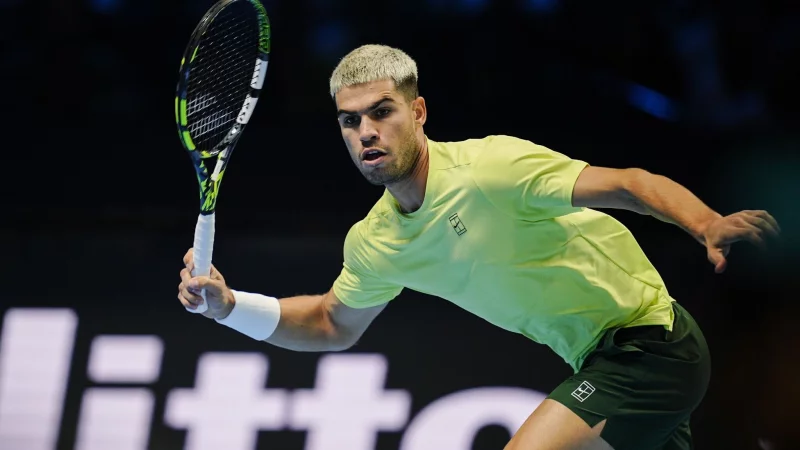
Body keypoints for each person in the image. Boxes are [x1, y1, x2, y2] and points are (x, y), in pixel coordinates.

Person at [177, 44, 781, 450]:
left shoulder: (492, 168)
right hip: (598, 363)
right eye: (349, 120)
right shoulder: (377, 241)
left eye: (381, 112)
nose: (366, 132)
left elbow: (627, 184)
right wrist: (229, 307)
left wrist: (705, 223)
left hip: (650, 345)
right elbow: (332, 324)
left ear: (418, 112)